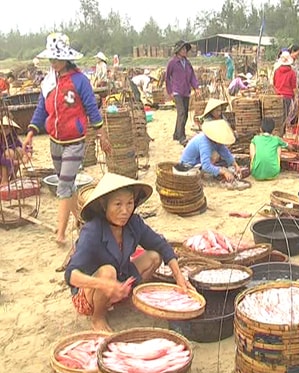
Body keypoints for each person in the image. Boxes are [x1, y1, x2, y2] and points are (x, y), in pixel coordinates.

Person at [64, 172, 193, 331]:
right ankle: (98, 318)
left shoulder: (134, 223)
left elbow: (161, 245)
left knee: (154, 257)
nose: (125, 211)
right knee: (108, 271)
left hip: (120, 279)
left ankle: (127, 299)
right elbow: (71, 275)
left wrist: (179, 277)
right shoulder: (93, 230)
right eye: (118, 204)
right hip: (89, 294)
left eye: (130, 203)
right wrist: (105, 284)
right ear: (105, 205)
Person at [22, 32, 112, 244]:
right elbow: (40, 110)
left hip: (74, 142)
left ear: (66, 58)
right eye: (51, 59)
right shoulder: (48, 82)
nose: (53, 62)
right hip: (55, 141)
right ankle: (81, 220)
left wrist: (102, 135)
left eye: (57, 58)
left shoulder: (80, 80)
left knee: (63, 186)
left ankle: (61, 233)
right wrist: (30, 133)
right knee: (68, 186)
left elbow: (92, 108)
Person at [166, 40, 200, 146]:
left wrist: (196, 87)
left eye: (186, 49)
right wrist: (170, 91)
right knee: (181, 113)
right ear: (178, 51)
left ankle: (176, 134)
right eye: (183, 49)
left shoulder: (188, 63)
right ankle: (182, 137)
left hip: (186, 91)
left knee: (184, 113)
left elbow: (192, 77)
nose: (185, 51)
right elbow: (167, 78)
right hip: (177, 91)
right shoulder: (172, 63)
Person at [273, 51, 298, 134]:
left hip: (277, 96)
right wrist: (296, 97)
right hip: (287, 96)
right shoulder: (292, 73)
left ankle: (278, 132)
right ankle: (282, 133)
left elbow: (274, 84)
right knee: (285, 115)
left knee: (279, 115)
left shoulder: (276, 71)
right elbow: (294, 87)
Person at [1, 116, 30, 186]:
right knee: (9, 152)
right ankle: (4, 180)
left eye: (7, 128)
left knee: (19, 150)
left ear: (11, 129)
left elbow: (23, 147)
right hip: (2, 167)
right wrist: (15, 162)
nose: (4, 130)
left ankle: (13, 178)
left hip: (9, 166)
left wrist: (27, 154)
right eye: (2, 128)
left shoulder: (13, 139)